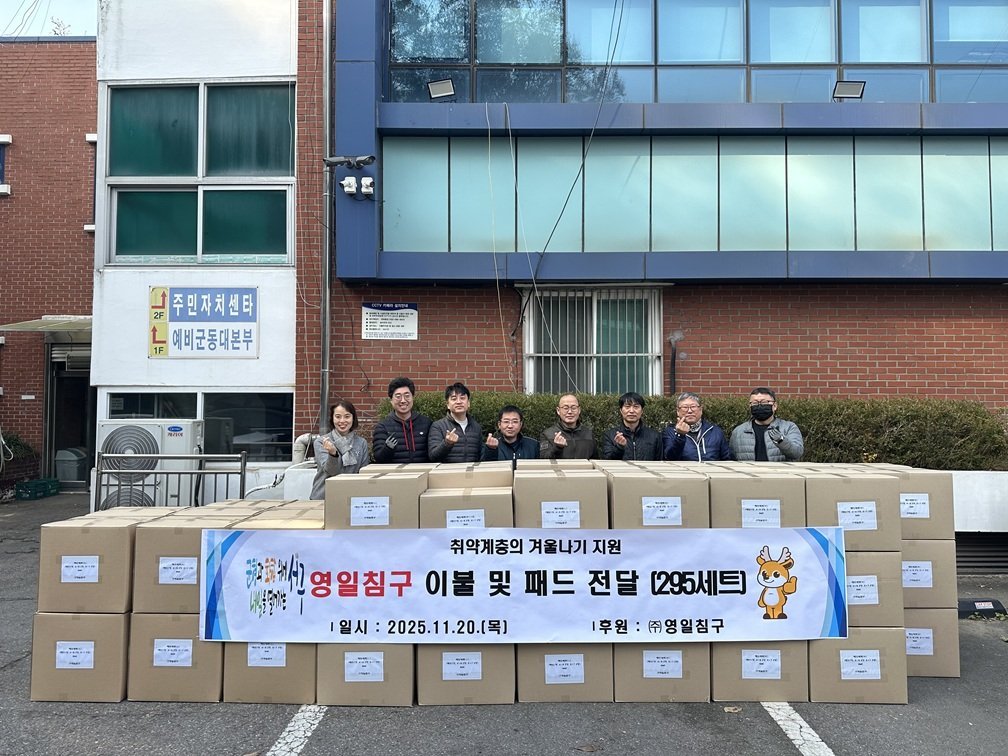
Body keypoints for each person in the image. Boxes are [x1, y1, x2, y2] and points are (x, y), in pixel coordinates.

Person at [310, 400, 370, 499]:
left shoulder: (361, 443)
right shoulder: (322, 442)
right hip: (324, 496)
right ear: (332, 419)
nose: (342, 421)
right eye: (338, 417)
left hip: (352, 496)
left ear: (353, 418)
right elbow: (331, 472)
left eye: (347, 416)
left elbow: (363, 473)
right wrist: (333, 454)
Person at [729, 387, 804, 462]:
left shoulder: (788, 428)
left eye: (764, 402)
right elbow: (732, 459)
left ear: (774, 406)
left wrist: (781, 441)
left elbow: (797, 453)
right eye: (755, 403)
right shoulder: (739, 432)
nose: (759, 406)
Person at [372, 377, 432, 463]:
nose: (403, 400)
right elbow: (378, 458)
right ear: (391, 400)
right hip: (395, 471)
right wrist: (388, 449)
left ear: (412, 398)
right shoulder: (383, 427)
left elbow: (434, 454)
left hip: (423, 470)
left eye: (407, 396)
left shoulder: (426, 423)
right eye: (398, 396)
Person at [663, 391, 731, 462]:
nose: (689, 411)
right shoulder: (670, 432)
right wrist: (680, 436)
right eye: (685, 407)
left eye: (693, 407)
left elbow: (727, 458)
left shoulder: (715, 432)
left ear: (701, 410)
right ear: (678, 411)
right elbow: (670, 458)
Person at [428, 382, 483, 463]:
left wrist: (491, 449)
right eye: (454, 399)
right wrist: (447, 443)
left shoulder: (476, 427)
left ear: (468, 403)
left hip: (471, 470)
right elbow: (433, 457)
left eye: (462, 398)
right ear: (448, 405)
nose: (459, 402)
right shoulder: (438, 426)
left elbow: (481, 458)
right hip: (447, 471)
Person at [601, 392, 662, 461]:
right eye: (627, 407)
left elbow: (660, 463)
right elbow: (607, 462)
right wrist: (619, 447)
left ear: (642, 411)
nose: (631, 411)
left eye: (636, 407)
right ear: (621, 411)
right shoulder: (610, 435)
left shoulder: (654, 436)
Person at [539, 393, 596, 459]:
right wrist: (557, 448)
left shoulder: (588, 434)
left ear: (579, 410)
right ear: (558, 411)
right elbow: (544, 459)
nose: (570, 412)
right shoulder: (548, 434)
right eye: (565, 408)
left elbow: (595, 460)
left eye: (573, 408)